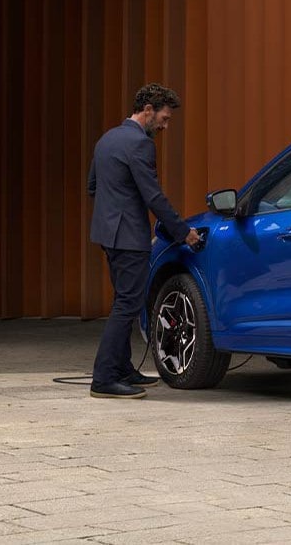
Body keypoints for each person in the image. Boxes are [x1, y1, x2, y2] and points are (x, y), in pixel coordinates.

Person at [87, 83, 201, 399]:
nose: (165, 126)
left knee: (124, 299)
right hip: (129, 236)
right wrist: (183, 232)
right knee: (127, 304)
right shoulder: (140, 144)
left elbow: (93, 187)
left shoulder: (106, 139)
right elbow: (153, 196)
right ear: (148, 110)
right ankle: (104, 378)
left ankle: (123, 368)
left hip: (107, 234)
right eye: (164, 118)